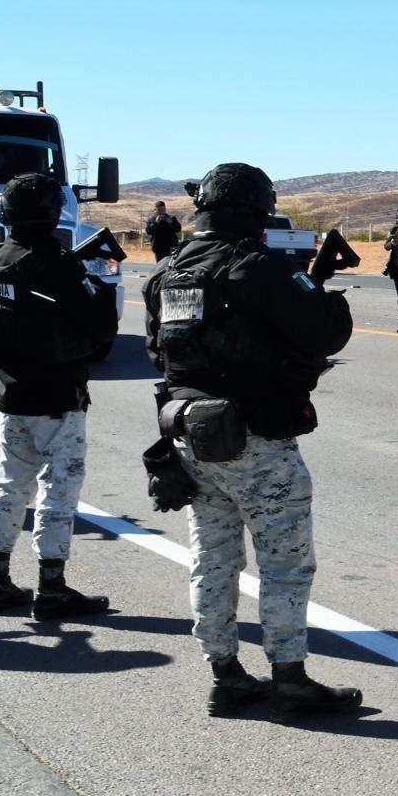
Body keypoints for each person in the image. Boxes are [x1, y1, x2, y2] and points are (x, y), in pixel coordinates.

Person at [142, 162, 362, 718]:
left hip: (192, 434)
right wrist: (320, 289)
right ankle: (289, 677)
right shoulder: (256, 267)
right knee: (285, 561)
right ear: (255, 210)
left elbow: (159, 354)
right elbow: (326, 330)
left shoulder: (167, 273)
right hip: (255, 437)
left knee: (212, 559)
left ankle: (225, 673)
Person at [0, 173, 117, 619]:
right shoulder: (56, 262)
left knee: (9, 486)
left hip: (12, 390)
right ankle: (52, 585)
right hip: (57, 393)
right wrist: (99, 284)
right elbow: (98, 330)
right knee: (58, 489)